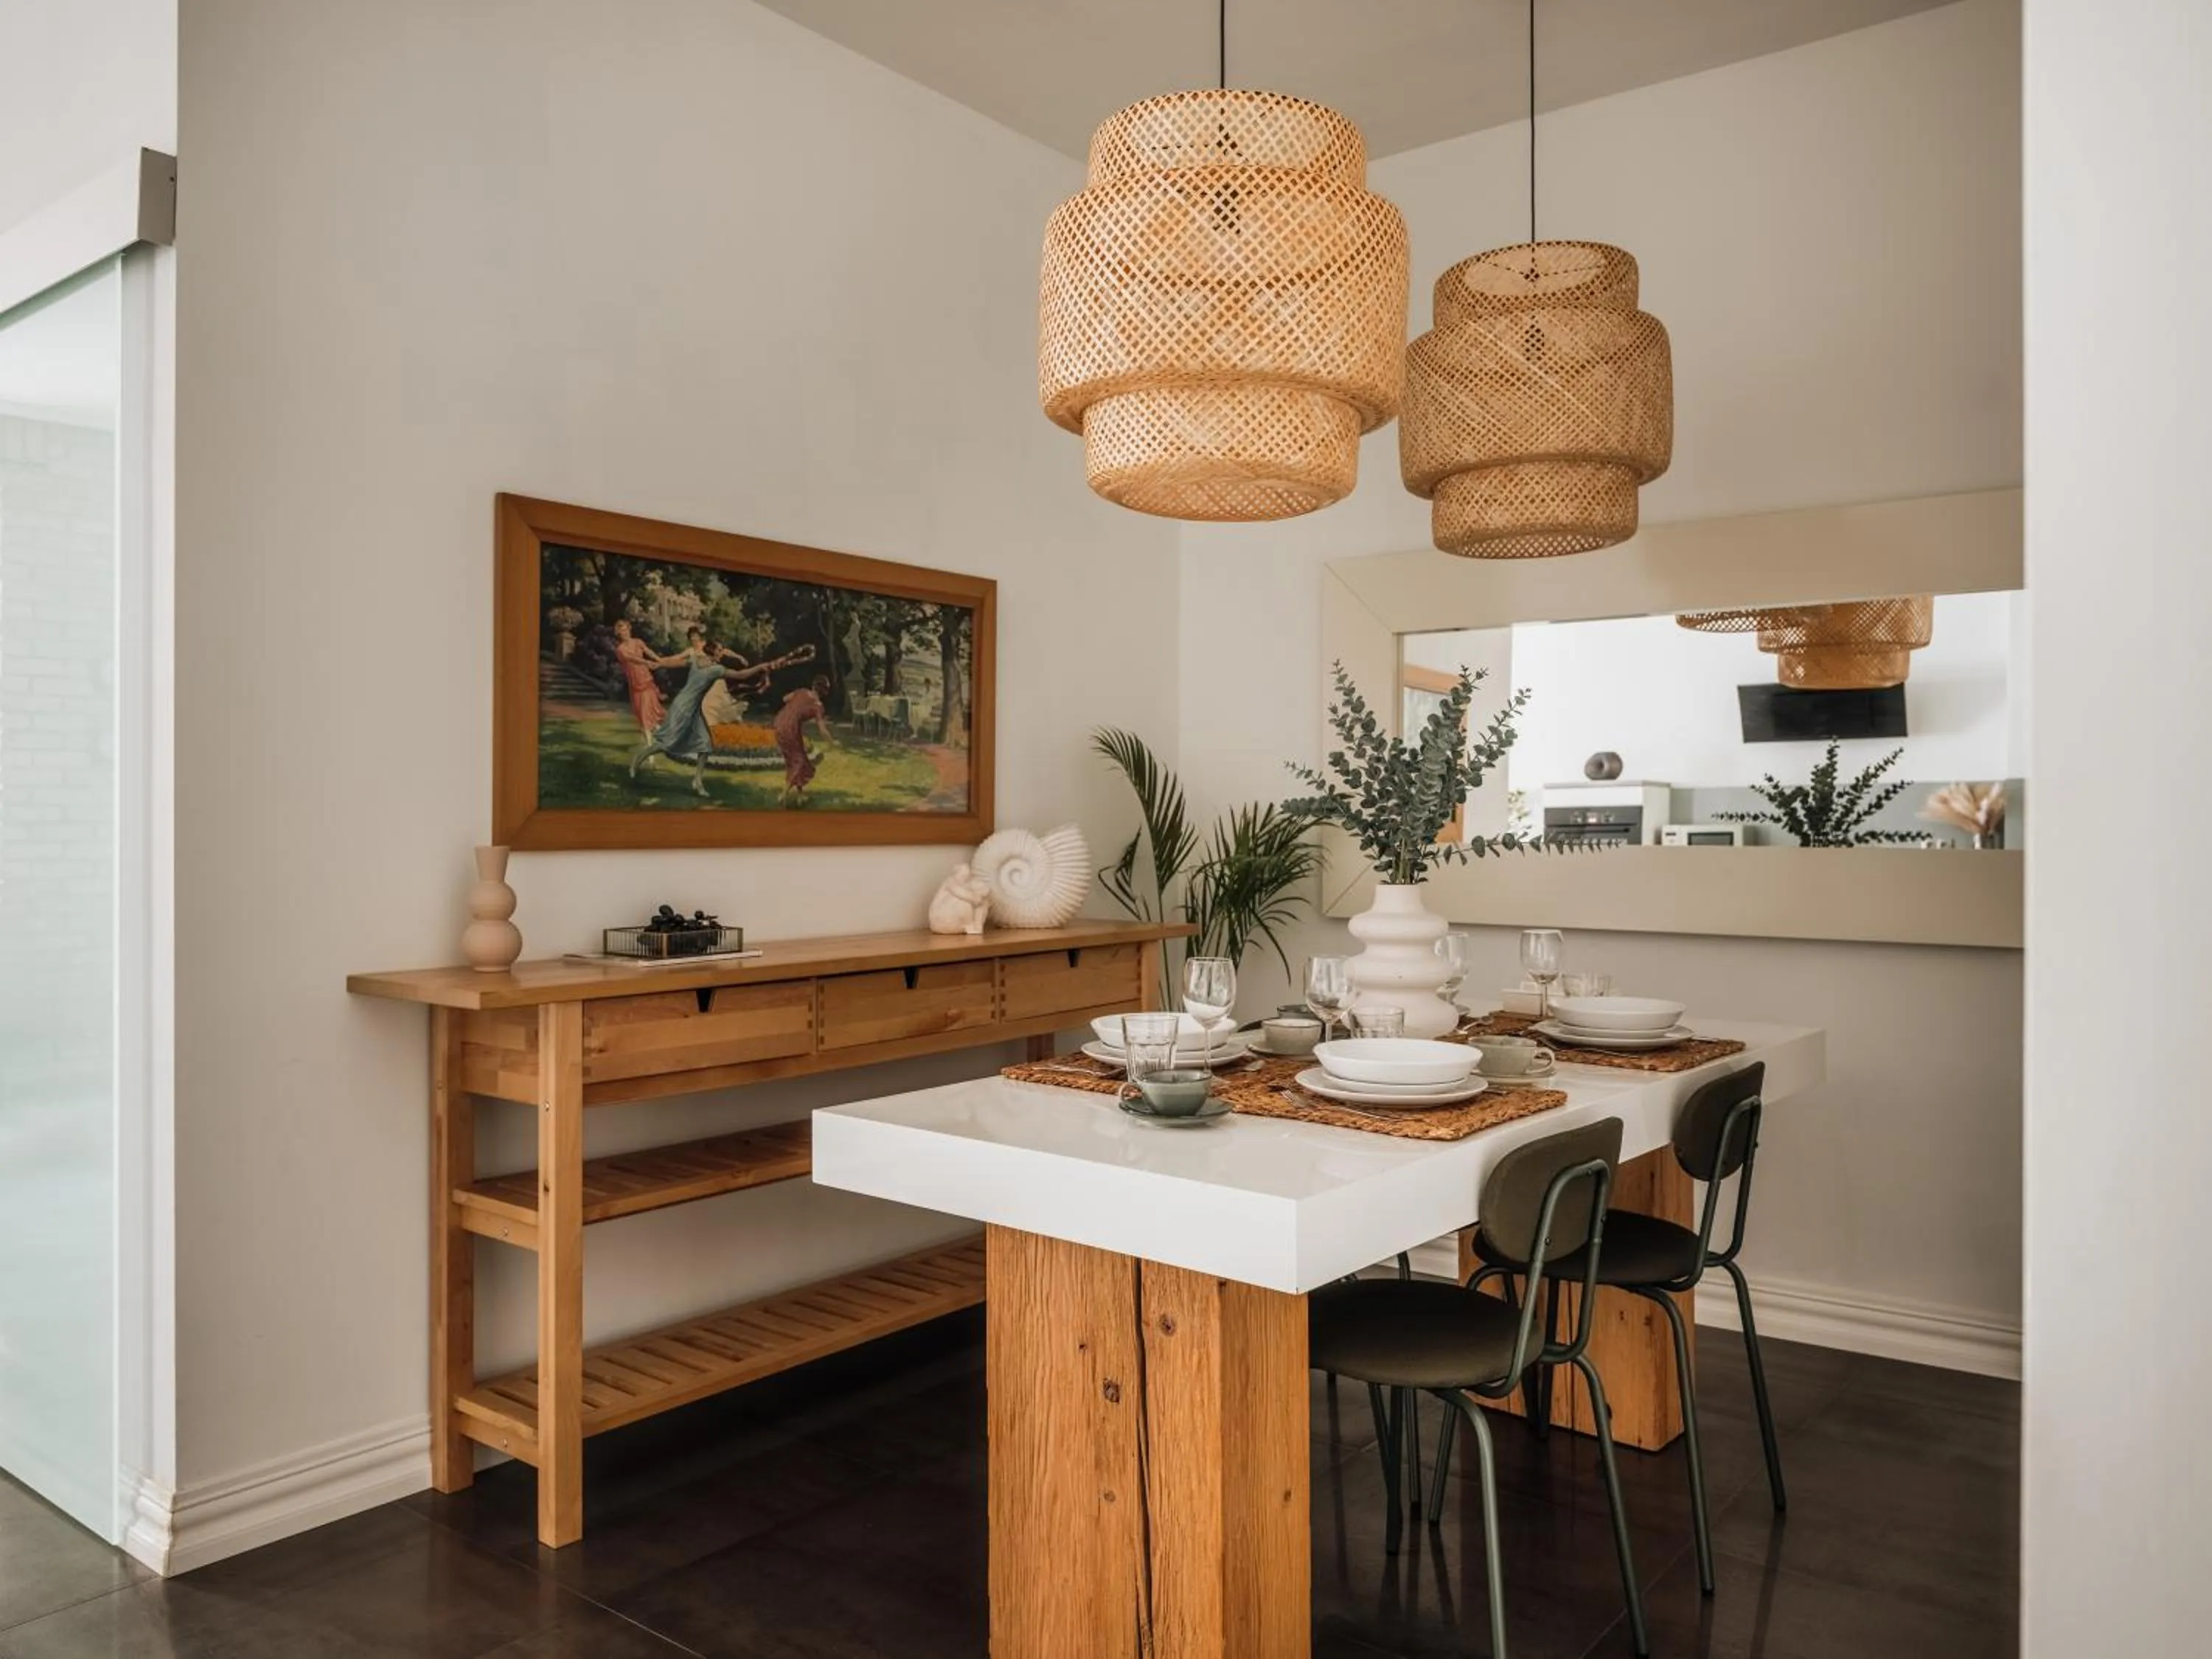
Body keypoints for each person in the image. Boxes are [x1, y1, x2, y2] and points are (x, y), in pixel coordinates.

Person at [627, 629, 771, 796]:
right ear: (712, 651)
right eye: (719, 650)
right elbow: (740, 675)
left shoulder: (714, 667)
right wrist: (658, 663)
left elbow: (740, 674)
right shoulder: (706, 664)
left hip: (694, 709)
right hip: (682, 707)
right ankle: (637, 761)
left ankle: (697, 782)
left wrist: (659, 663)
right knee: (666, 744)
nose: (722, 653)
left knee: (705, 745)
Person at [610, 619, 681, 737]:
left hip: (646, 679)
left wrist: (659, 660)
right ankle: (653, 738)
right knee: (642, 712)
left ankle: (659, 734)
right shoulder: (621, 649)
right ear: (619, 634)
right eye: (621, 631)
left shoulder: (638, 642)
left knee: (652, 708)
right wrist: (646, 662)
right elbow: (633, 659)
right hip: (636, 682)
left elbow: (648, 651)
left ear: (629, 630)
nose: (625, 633)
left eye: (626, 630)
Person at [774, 674, 833, 807]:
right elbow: (822, 730)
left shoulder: (802, 691)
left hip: (779, 724)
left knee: (796, 760)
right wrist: (832, 742)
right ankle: (783, 794)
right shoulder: (818, 706)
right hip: (790, 729)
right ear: (825, 692)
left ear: (813, 686)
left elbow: (785, 699)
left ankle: (801, 797)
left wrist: (797, 705)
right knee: (799, 762)